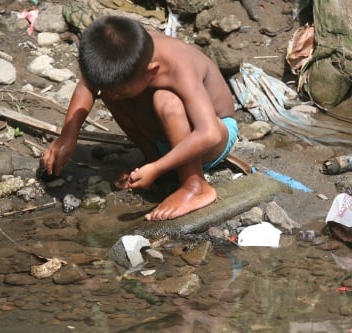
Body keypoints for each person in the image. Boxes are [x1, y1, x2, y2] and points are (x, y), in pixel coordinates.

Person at [42, 15, 238, 220]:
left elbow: (210, 134)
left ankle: (194, 185)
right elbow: (87, 85)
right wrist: (68, 135)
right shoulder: (120, 57)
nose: (116, 97)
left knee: (166, 100)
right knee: (110, 91)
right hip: (170, 139)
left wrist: (158, 168)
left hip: (212, 139)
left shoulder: (178, 64)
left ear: (152, 71)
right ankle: (151, 159)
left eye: (123, 92)